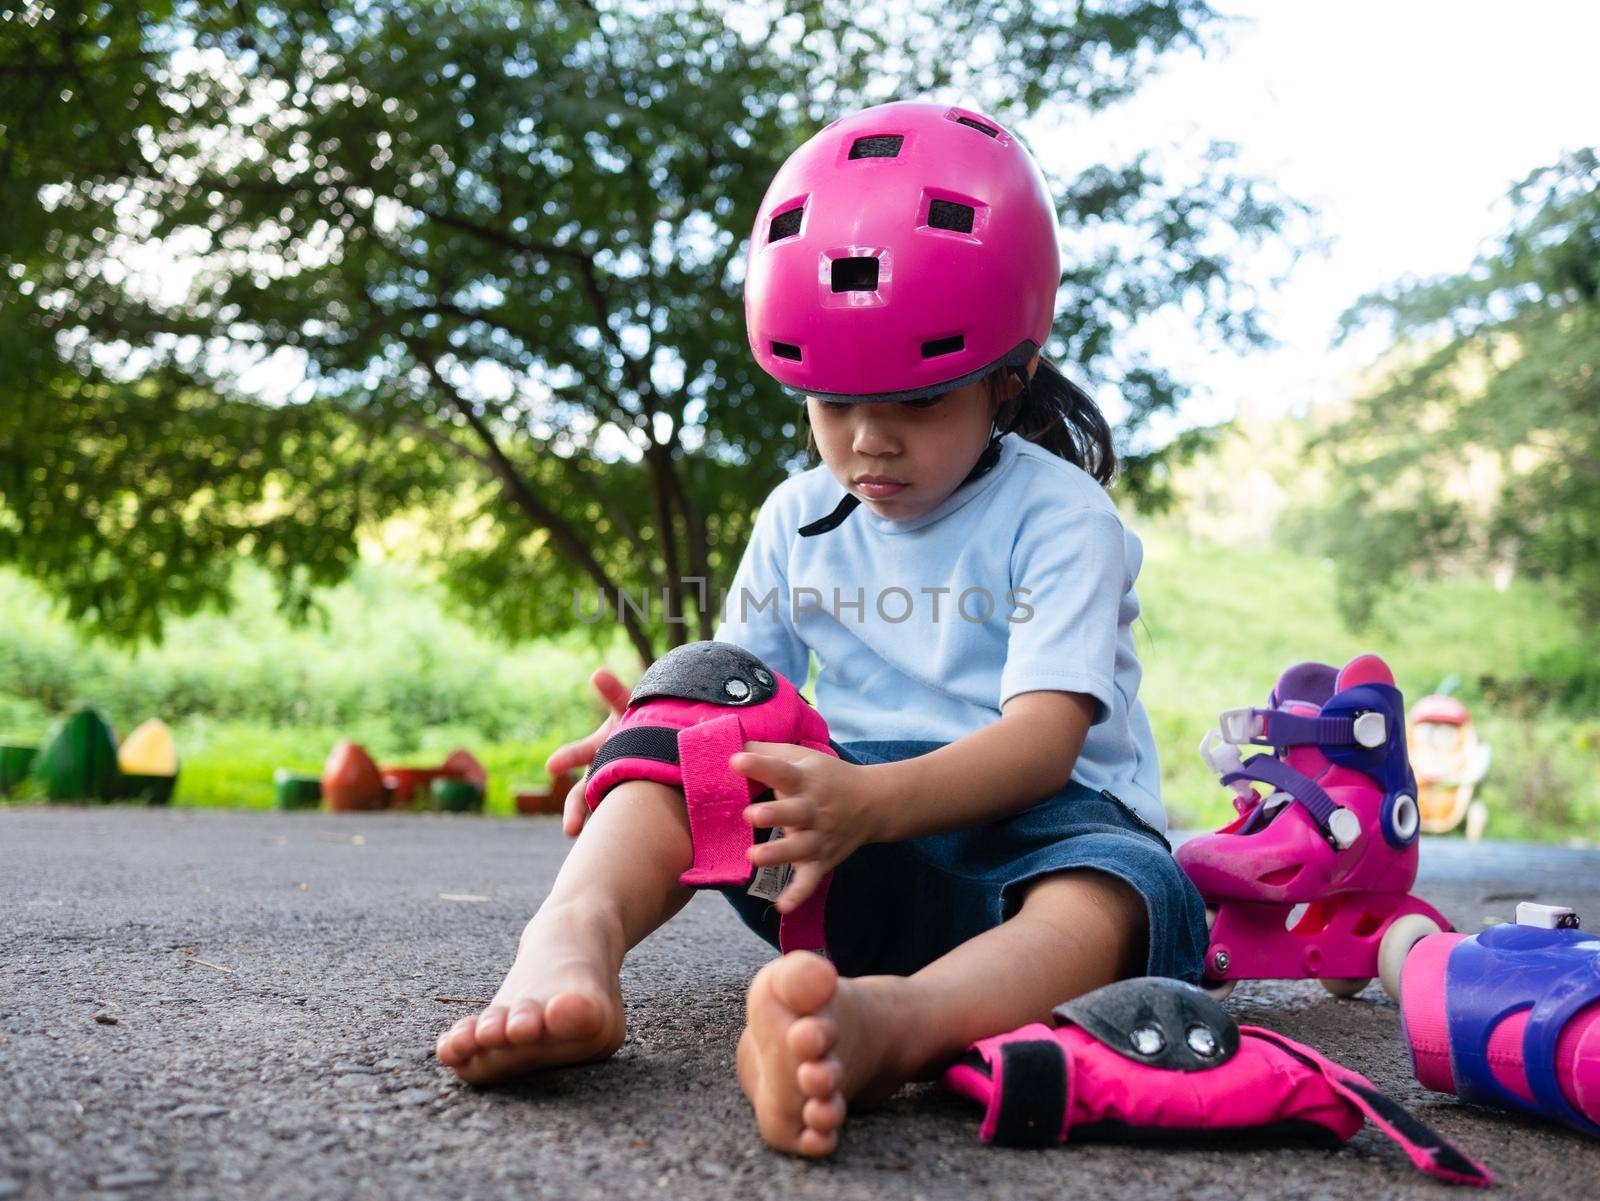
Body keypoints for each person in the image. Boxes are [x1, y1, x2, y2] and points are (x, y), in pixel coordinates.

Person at [434, 100, 1208, 1157]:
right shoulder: (797, 514)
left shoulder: (1060, 513)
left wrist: (872, 800)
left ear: (1006, 379)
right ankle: (571, 944)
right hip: (827, 854)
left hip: (1027, 843)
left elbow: (1044, 742)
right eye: (832, 402)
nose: (867, 443)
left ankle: (886, 1027)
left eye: (917, 403)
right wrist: (645, 744)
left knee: (1130, 894)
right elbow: (741, 691)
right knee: (698, 678)